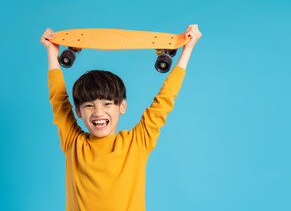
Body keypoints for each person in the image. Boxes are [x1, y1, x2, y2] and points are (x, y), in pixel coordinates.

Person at [40, 25, 202, 211]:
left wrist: (187, 49)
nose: (98, 112)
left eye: (107, 104)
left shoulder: (137, 141)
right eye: (89, 105)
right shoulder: (74, 143)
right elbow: (58, 100)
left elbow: (164, 100)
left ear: (122, 106)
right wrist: (52, 53)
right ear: (78, 111)